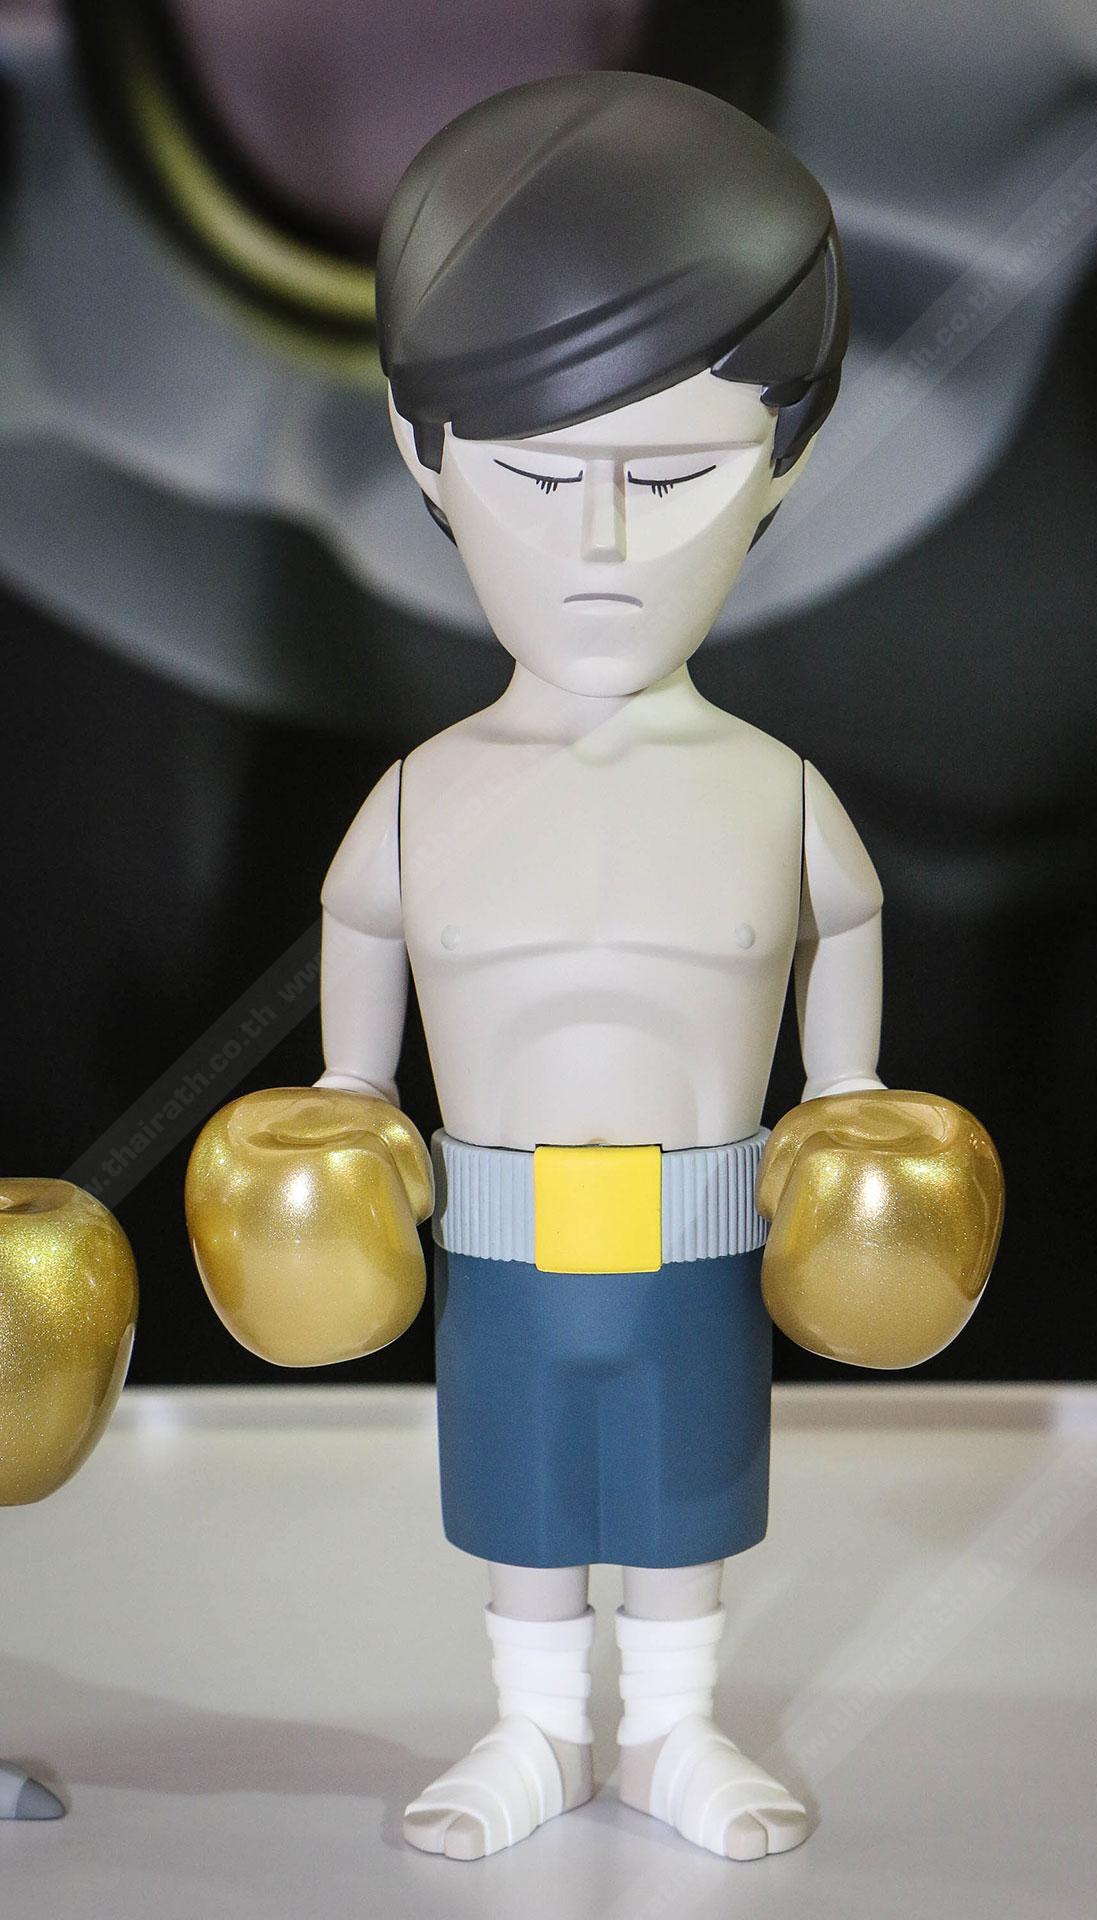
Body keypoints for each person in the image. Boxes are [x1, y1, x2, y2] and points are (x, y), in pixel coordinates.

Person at [189, 68, 999, 1864]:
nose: (605, 543)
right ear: (424, 451)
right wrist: (346, 1095)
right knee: (524, 1496)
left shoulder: (776, 794)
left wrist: (851, 1096)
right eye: (545, 475)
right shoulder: (423, 798)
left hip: (706, 1227)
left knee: (688, 1485)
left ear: (788, 453)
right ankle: (538, 1730)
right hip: (495, 1231)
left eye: (676, 471)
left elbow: (851, 918)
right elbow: (360, 927)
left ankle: (680, 1730)